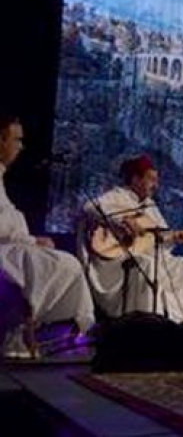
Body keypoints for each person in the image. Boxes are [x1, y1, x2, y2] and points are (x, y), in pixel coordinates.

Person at [0, 115, 94, 358]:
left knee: (64, 262)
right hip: (5, 249)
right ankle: (23, 331)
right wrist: (32, 241)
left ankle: (53, 330)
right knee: (50, 262)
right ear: (1, 140)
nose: (21, 147)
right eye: (17, 140)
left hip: (11, 245)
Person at [82, 154, 183, 324]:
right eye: (151, 180)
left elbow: (158, 238)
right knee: (147, 266)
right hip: (118, 261)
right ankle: (151, 324)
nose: (156, 185)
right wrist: (123, 220)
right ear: (136, 179)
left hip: (151, 257)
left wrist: (175, 238)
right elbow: (89, 208)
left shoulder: (150, 206)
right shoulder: (117, 196)